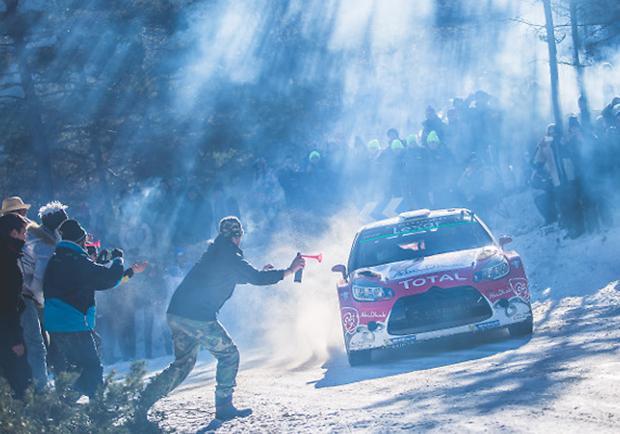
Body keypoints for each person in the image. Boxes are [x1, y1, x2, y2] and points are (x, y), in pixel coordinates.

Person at [138, 216, 305, 422]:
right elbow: (255, 278)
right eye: (240, 235)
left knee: (183, 364)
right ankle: (224, 406)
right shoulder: (229, 254)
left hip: (178, 313)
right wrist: (289, 271)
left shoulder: (218, 252)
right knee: (229, 355)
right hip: (195, 316)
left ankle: (143, 402)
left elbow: (241, 276)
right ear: (237, 235)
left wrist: (265, 273)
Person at [43, 220, 128, 398]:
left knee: (71, 368)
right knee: (92, 367)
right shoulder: (78, 261)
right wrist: (118, 260)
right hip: (74, 324)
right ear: (81, 241)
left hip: (53, 324)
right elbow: (109, 279)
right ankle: (97, 409)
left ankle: (65, 405)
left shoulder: (55, 259)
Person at [19, 201, 69, 390]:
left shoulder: (44, 237)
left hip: (36, 297)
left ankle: (56, 385)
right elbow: (39, 276)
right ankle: (47, 389)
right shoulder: (42, 243)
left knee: (48, 343)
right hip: (34, 297)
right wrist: (41, 301)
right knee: (44, 345)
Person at [0, 213, 32, 398]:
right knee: (19, 382)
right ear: (13, 233)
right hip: (6, 333)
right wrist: (15, 340)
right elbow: (6, 304)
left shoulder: (9, 255)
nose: (25, 237)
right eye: (23, 232)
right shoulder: (7, 262)